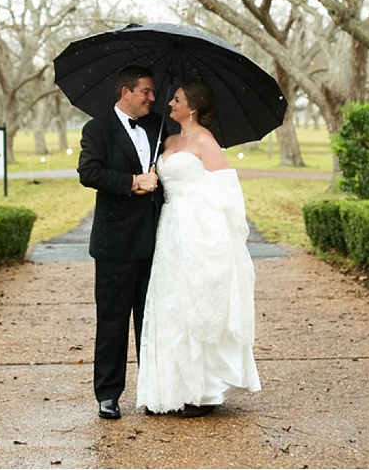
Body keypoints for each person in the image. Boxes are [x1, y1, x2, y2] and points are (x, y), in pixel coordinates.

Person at [136, 80, 261, 417]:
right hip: (170, 228)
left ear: (192, 107)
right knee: (169, 299)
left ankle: (200, 393)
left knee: (195, 301)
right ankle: (167, 390)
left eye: (176, 99)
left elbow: (226, 188)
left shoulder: (205, 140)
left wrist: (212, 224)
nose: (169, 103)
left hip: (199, 228)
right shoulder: (169, 139)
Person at [77, 64, 164, 420]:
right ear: (126, 92)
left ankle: (153, 389)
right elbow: (89, 172)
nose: (152, 98)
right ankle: (108, 394)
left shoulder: (158, 126)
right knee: (112, 321)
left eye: (153, 92)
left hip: (157, 240)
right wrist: (132, 182)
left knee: (152, 319)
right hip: (115, 243)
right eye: (145, 91)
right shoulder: (97, 129)